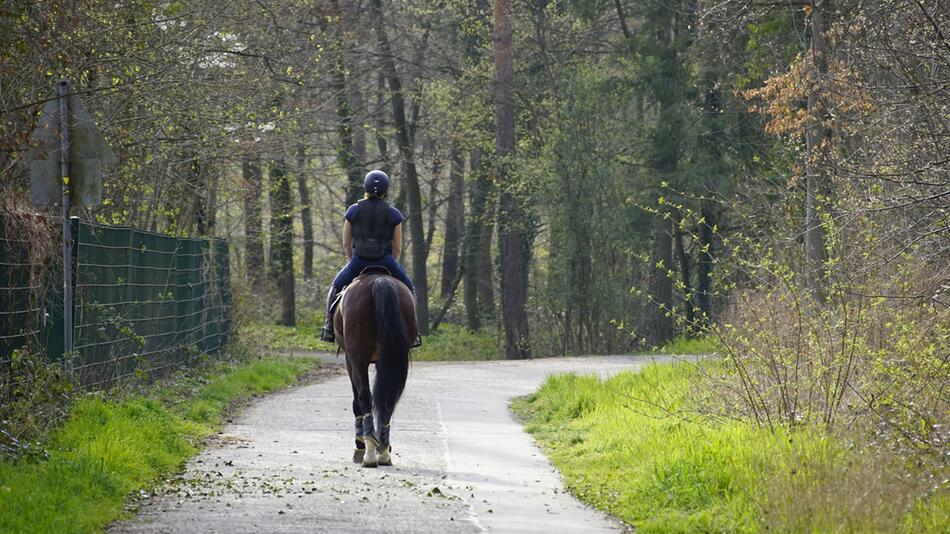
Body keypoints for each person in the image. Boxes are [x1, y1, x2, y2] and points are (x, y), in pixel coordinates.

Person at [321, 170, 420, 347]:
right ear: (386, 189)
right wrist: (392, 262)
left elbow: (346, 243)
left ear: (365, 187)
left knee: (336, 286)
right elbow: (397, 247)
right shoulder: (394, 213)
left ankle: (328, 326)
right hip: (386, 261)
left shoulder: (353, 211)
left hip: (359, 261)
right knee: (410, 289)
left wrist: (354, 260)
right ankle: (415, 331)